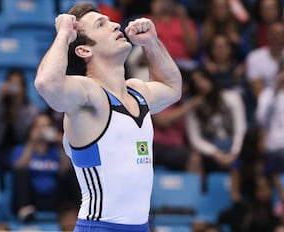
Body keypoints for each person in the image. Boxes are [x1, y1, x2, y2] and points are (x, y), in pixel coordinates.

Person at [34, 3, 182, 232]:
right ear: (84, 50)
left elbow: (172, 88)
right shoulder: (88, 96)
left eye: (109, 21)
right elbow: (47, 84)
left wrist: (151, 43)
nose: (114, 24)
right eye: (100, 24)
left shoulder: (137, 91)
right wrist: (64, 34)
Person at [10, 113, 70, 222]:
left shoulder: (55, 152)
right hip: (32, 197)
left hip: (54, 195)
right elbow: (19, 167)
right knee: (21, 172)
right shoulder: (21, 149)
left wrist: (61, 145)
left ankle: (73, 212)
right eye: (40, 126)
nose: (44, 130)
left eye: (47, 126)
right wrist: (31, 142)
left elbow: (65, 170)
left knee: (71, 173)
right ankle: (25, 210)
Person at [186, 68, 246, 172]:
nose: (200, 84)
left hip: (234, 146)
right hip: (211, 150)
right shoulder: (193, 108)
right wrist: (215, 153)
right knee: (195, 157)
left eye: (202, 79)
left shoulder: (232, 97)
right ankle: (199, 188)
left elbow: (240, 128)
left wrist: (234, 152)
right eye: (195, 82)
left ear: (210, 79)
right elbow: (195, 139)